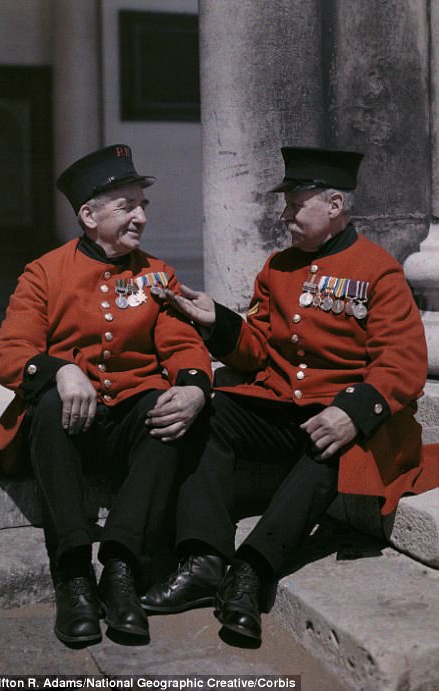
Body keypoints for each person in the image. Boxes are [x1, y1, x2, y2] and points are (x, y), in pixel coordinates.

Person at [140, 146, 438, 645]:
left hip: (343, 420)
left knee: (332, 444)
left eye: (295, 205)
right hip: (283, 409)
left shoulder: (379, 271)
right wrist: (219, 321)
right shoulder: (277, 268)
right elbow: (258, 351)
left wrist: (352, 413)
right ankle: (207, 560)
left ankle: (253, 571)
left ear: (334, 204)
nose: (285, 215)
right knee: (208, 411)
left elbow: (402, 363)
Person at [0, 144, 213, 645]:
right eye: (126, 207)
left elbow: (182, 345)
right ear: (88, 215)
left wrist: (193, 386)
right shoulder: (45, 272)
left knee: (163, 408)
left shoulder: (156, 275)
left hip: (128, 421)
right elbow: (7, 352)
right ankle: (74, 576)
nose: (141, 218)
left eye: (142, 206)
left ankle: (121, 571)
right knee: (48, 404)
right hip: (69, 428)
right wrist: (59, 370)